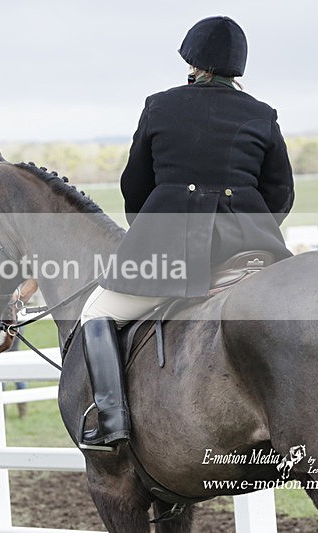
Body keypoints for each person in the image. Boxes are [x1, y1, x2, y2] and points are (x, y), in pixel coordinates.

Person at [78, 16, 295, 450]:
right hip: (252, 250)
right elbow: (281, 193)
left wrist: (151, 234)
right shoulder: (261, 113)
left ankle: (113, 423)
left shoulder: (160, 105)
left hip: (172, 250)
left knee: (96, 314)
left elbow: (135, 187)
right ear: (237, 67)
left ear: (193, 61)